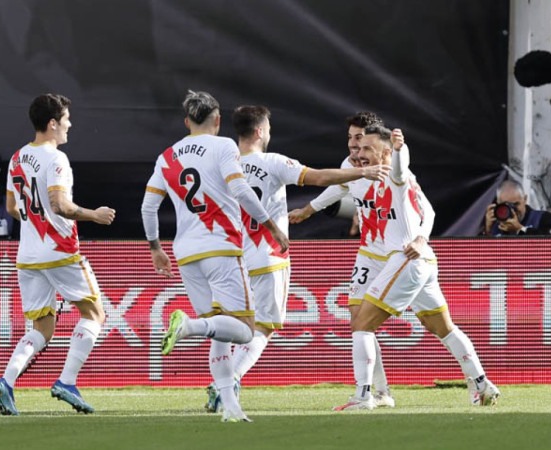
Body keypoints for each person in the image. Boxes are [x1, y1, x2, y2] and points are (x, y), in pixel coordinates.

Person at [204, 105, 391, 413]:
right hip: (267, 256)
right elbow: (317, 178)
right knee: (262, 328)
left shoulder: (221, 166)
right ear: (261, 131)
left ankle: (221, 379)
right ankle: (226, 382)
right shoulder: (274, 162)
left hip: (230, 260)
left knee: (232, 326)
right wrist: (363, 171)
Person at [141, 91, 289, 423]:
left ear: (186, 121)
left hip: (186, 253)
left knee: (220, 332)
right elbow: (239, 190)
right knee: (246, 330)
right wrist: (271, 226)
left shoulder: (167, 157)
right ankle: (189, 327)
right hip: (221, 247)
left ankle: (231, 409)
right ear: (218, 119)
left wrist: (155, 248)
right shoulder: (224, 147)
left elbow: (148, 206)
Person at [334, 125, 500, 411]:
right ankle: (482, 383)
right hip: (422, 260)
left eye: (367, 149)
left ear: (385, 153)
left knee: (361, 323)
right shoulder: (377, 179)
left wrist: (399, 150)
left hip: (405, 260)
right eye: (358, 148)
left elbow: (398, 168)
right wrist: (423, 236)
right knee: (442, 328)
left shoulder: (395, 174)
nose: (360, 154)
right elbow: (430, 211)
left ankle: (363, 397)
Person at [0, 93, 116, 416]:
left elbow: (10, 208)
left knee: (42, 328)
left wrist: (35, 221)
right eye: (66, 120)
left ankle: (6, 381)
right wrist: (94, 215)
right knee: (95, 315)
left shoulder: (17, 158)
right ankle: (67, 381)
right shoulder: (56, 159)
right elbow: (61, 205)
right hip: (59, 251)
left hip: (28, 254)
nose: (69, 125)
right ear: (52, 123)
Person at [288, 112, 396, 407]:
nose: (352, 144)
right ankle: (378, 391)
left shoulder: (393, 167)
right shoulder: (350, 166)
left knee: (438, 323)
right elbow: (338, 187)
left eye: (358, 138)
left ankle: (478, 380)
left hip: (400, 254)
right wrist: (308, 209)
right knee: (359, 320)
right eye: (349, 138)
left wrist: (420, 236)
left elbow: (421, 205)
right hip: (369, 252)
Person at [482, 179, 551, 236]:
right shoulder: (494, 226)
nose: (512, 210)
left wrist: (521, 229)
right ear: (497, 204)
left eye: (516, 204)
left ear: (525, 199)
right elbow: (480, 256)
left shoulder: (542, 218)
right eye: (506, 205)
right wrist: (487, 231)